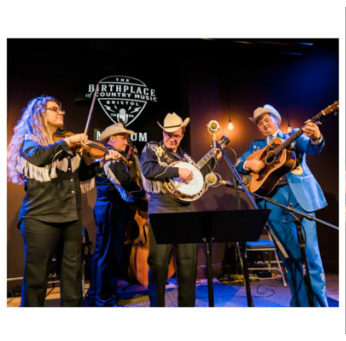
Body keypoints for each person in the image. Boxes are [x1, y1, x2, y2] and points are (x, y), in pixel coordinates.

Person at [7, 95, 120, 306]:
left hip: (70, 217)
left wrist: (102, 161)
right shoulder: (31, 141)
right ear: (39, 114)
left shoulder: (66, 143)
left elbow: (83, 175)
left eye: (61, 109)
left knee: (72, 278)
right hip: (40, 218)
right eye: (54, 109)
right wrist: (67, 142)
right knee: (36, 280)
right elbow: (39, 158)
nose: (61, 112)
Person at [237, 104, 329, 307]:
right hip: (273, 202)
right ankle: (299, 304)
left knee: (311, 256)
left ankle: (320, 306)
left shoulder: (294, 134)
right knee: (289, 258)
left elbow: (313, 147)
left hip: (300, 199)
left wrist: (316, 136)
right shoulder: (255, 146)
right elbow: (238, 165)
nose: (264, 124)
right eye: (260, 123)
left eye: (267, 119)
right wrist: (247, 164)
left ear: (277, 119)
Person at [140, 112, 219, 307]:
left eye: (176, 135)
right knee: (158, 264)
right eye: (168, 134)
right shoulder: (152, 147)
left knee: (188, 264)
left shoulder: (185, 156)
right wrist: (176, 171)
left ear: (182, 135)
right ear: (163, 132)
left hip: (186, 210)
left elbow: (198, 179)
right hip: (161, 207)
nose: (172, 139)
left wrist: (214, 160)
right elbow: (148, 169)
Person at [84, 123, 145, 306]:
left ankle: (96, 294)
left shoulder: (111, 156)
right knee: (108, 255)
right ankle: (105, 299)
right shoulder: (110, 157)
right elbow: (124, 180)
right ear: (111, 138)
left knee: (102, 253)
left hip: (107, 207)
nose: (127, 142)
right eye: (123, 137)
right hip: (111, 207)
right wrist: (143, 194)